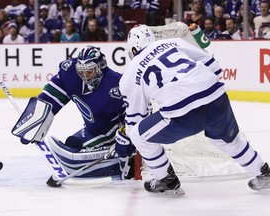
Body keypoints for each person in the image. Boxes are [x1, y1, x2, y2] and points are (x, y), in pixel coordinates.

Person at [116, 24, 270, 194]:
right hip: (215, 96)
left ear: (132, 48)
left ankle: (166, 180)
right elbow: (215, 68)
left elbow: (135, 121)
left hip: (182, 113)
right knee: (229, 141)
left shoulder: (130, 74)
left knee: (138, 136)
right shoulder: (173, 42)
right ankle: (263, 172)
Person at [11, 45, 133, 179]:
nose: (85, 76)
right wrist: (35, 120)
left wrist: (125, 137)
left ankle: (124, 163)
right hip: (92, 129)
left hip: (113, 131)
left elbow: (133, 113)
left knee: (74, 159)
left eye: (89, 71)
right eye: (81, 71)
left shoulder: (117, 85)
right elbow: (51, 98)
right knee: (72, 144)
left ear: (100, 68)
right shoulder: (70, 73)